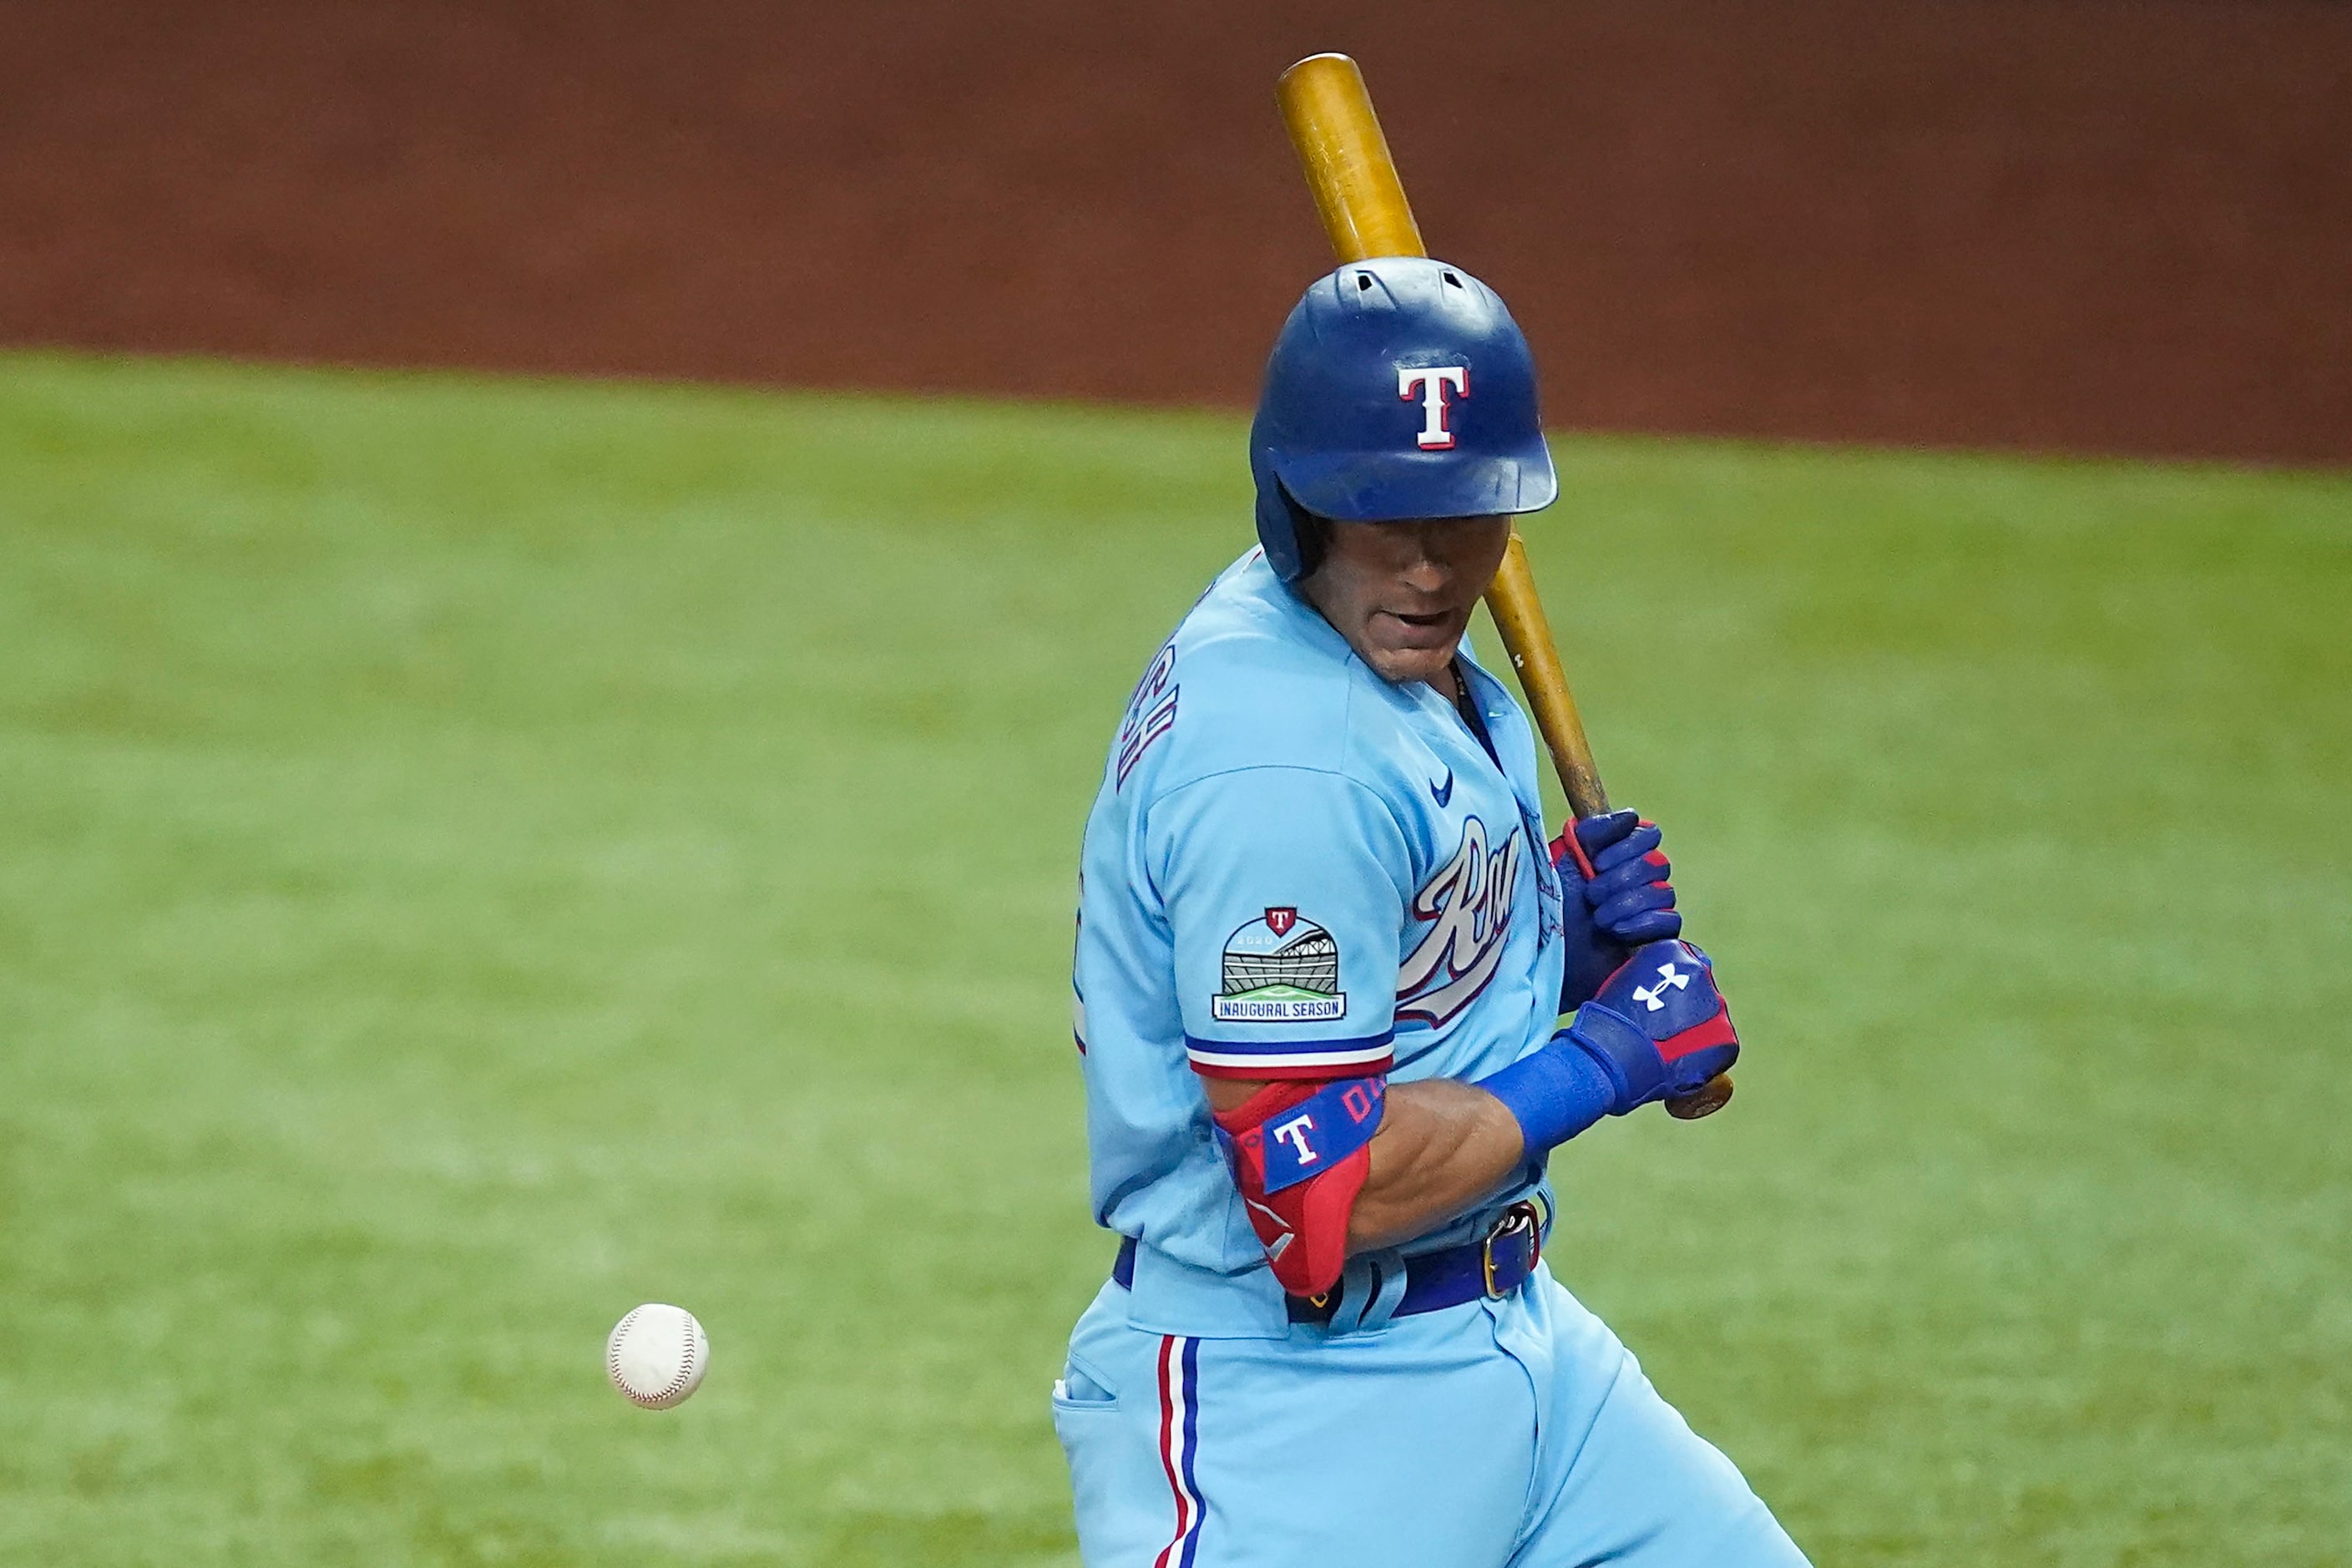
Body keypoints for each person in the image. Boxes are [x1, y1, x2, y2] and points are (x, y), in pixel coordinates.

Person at [1054, 255, 1809, 1566]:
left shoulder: (1399, 663)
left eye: (1464, 515)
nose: (1426, 565)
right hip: (1294, 1423)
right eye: (1380, 515)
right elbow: (1315, 1200)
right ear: (1296, 501)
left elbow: (1389, 959)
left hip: (1526, 1365)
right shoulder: (1284, 764)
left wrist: (1537, 933)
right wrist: (1603, 1056)